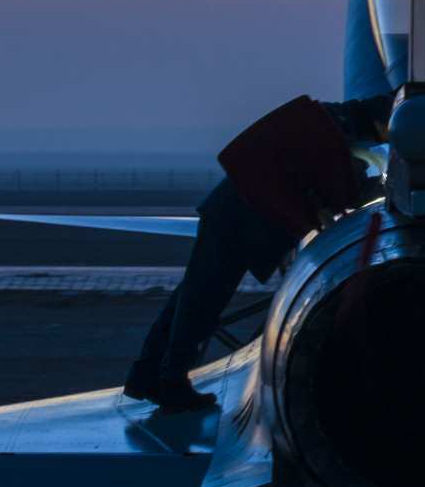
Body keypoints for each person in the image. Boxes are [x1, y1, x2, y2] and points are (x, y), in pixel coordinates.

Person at [124, 96, 392, 411]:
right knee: (202, 301)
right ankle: (171, 383)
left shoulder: (328, 121)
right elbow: (340, 188)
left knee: (191, 297)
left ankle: (147, 375)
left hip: (231, 214)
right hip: (240, 221)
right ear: (380, 121)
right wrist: (387, 187)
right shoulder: (333, 133)